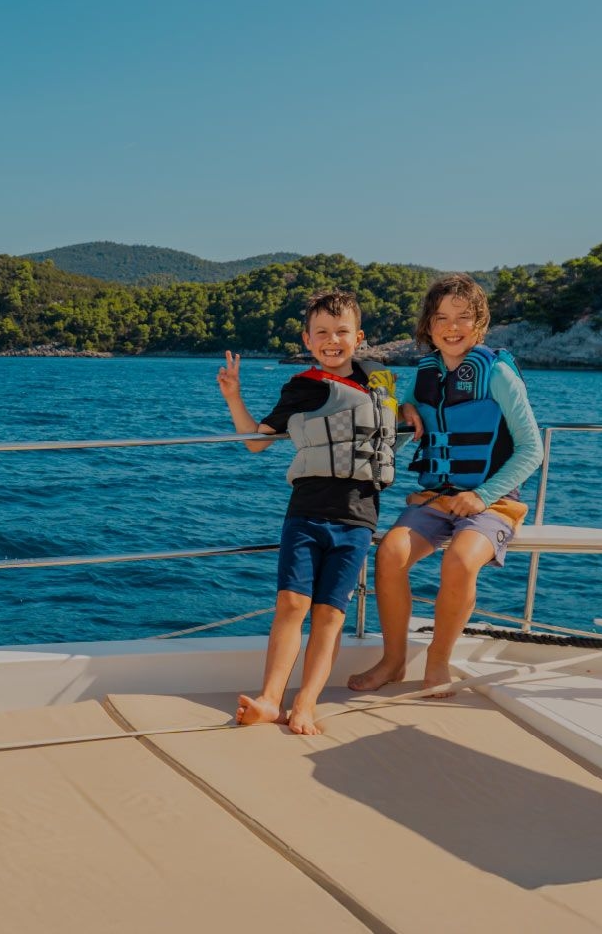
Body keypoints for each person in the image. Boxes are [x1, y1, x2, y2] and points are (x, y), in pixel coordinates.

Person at [217, 289, 400, 734]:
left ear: (359, 337)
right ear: (307, 339)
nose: (331, 340)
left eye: (341, 332)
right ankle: (269, 699)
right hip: (306, 513)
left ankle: (307, 703)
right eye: (321, 333)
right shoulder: (301, 387)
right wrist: (233, 396)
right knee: (292, 604)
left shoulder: (383, 382)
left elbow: (400, 418)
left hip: (358, 518)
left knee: (330, 614)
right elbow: (257, 441)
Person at [348, 273, 541, 695]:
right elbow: (389, 395)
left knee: (459, 560)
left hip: (494, 500)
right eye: (441, 318)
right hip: (435, 497)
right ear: (428, 327)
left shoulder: (498, 375)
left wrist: (482, 495)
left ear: (480, 323)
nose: (452, 327)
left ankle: (438, 661)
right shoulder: (425, 374)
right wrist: (403, 408)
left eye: (463, 318)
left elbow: (532, 449)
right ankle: (393, 661)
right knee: (391, 552)